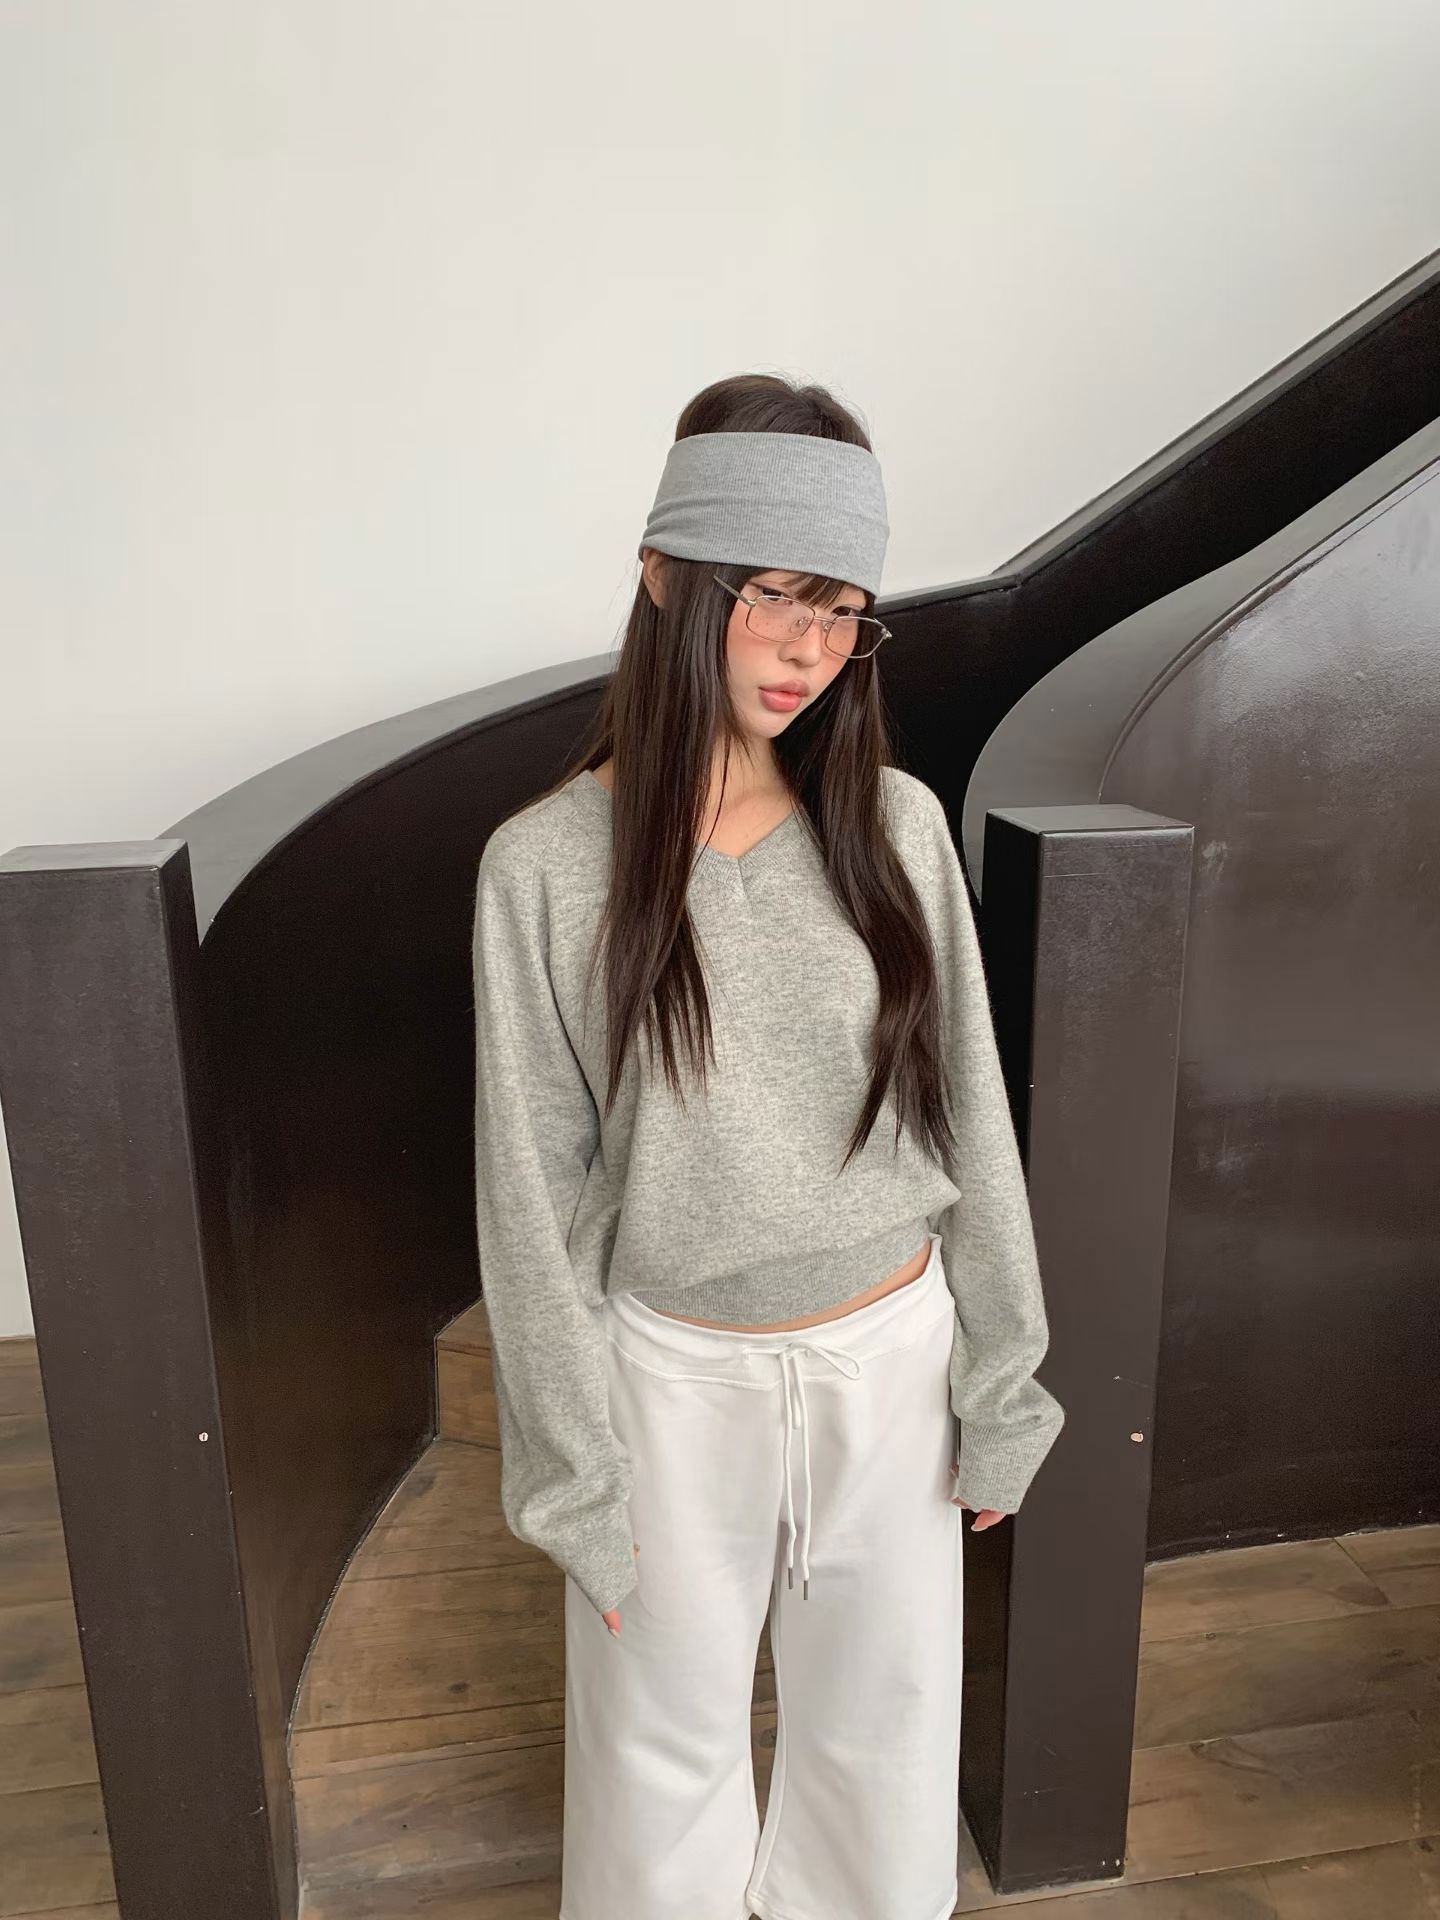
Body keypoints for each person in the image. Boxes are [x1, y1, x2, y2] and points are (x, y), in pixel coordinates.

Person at [470, 373, 1065, 1920]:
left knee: (884, 1755)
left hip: (894, 1364)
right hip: (672, 1380)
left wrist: (1001, 1384)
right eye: (778, 594)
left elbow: (971, 1117)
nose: (811, 648)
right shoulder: (543, 866)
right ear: (668, 579)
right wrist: (574, 1482)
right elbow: (528, 1198)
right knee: (654, 1768)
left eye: (845, 611)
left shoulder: (896, 828)